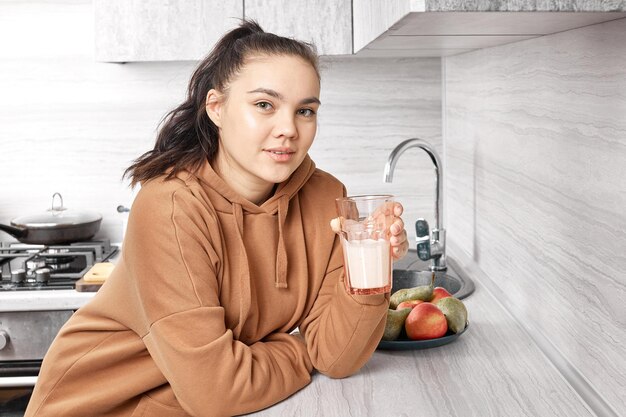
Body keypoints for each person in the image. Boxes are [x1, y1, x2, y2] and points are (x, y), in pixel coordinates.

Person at [25, 20, 408, 417]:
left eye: (305, 111)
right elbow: (218, 391)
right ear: (217, 108)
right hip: (100, 406)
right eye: (264, 105)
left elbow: (338, 357)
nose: (289, 129)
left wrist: (372, 267)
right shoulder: (171, 206)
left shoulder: (326, 198)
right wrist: (300, 349)